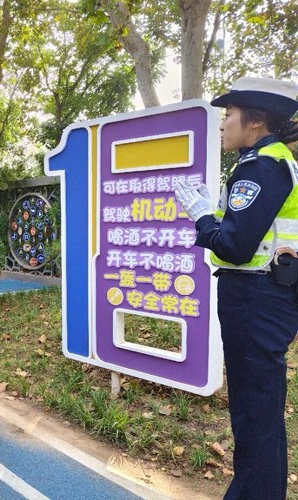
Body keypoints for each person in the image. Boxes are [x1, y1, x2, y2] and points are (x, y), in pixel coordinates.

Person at [174, 76, 298, 500]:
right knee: (262, 414)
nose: (223, 123)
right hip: (268, 298)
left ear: (255, 121)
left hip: (256, 302)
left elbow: (234, 245)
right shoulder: (274, 161)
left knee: (253, 416)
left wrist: (201, 216)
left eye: (229, 114)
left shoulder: (261, 166)